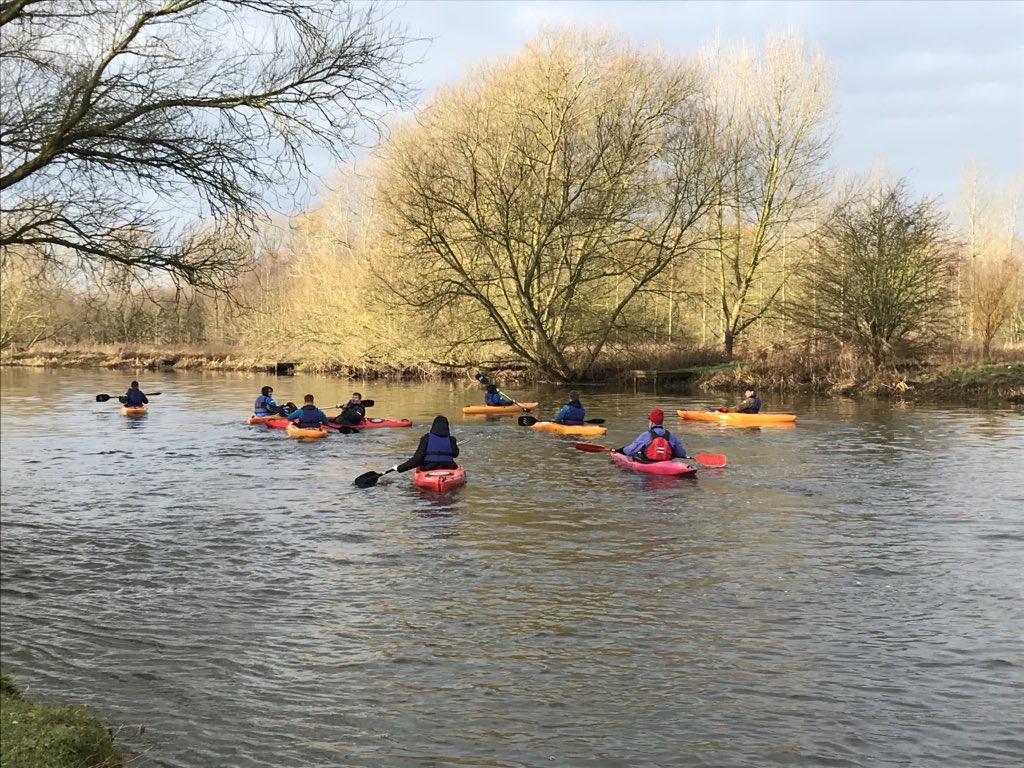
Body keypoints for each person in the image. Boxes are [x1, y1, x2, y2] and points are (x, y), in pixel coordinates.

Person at [391, 415, 460, 473]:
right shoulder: (451, 439)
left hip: (429, 468)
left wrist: (399, 468)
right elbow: (455, 454)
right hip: (448, 468)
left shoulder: (425, 439)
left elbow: (417, 459)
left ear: (433, 426)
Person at [614, 408, 686, 462]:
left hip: (649, 465)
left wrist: (622, 450)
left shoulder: (646, 435)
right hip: (666, 464)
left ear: (651, 422)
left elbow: (629, 451)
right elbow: (681, 454)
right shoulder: (671, 435)